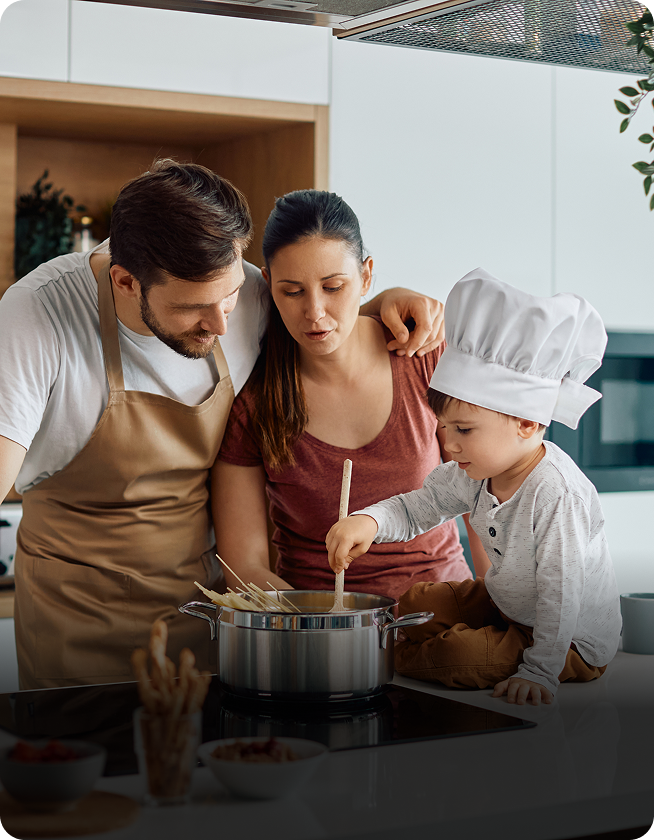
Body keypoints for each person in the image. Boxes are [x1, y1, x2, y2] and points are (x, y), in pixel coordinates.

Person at [0, 160, 448, 690]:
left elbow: (321, 319)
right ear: (124, 282)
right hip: (78, 629)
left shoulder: (254, 294)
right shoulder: (38, 317)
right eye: (193, 309)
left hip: (206, 617)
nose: (221, 324)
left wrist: (386, 302)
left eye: (232, 295)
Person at [326, 268, 622, 705]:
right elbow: (420, 506)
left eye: (464, 428)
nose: (447, 443)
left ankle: (391, 657)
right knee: (413, 604)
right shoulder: (475, 472)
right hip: (509, 606)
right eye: (444, 427)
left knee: (455, 656)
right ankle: (416, 643)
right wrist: (369, 521)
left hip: (568, 640)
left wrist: (540, 673)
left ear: (526, 422)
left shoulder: (557, 494)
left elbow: (563, 595)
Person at [214, 190, 488, 601]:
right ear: (269, 285)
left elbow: (486, 508)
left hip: (445, 615)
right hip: (323, 629)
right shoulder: (254, 405)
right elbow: (245, 566)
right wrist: (319, 631)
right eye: (292, 291)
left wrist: (503, 614)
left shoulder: (427, 361)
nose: (315, 312)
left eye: (333, 286)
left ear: (366, 276)